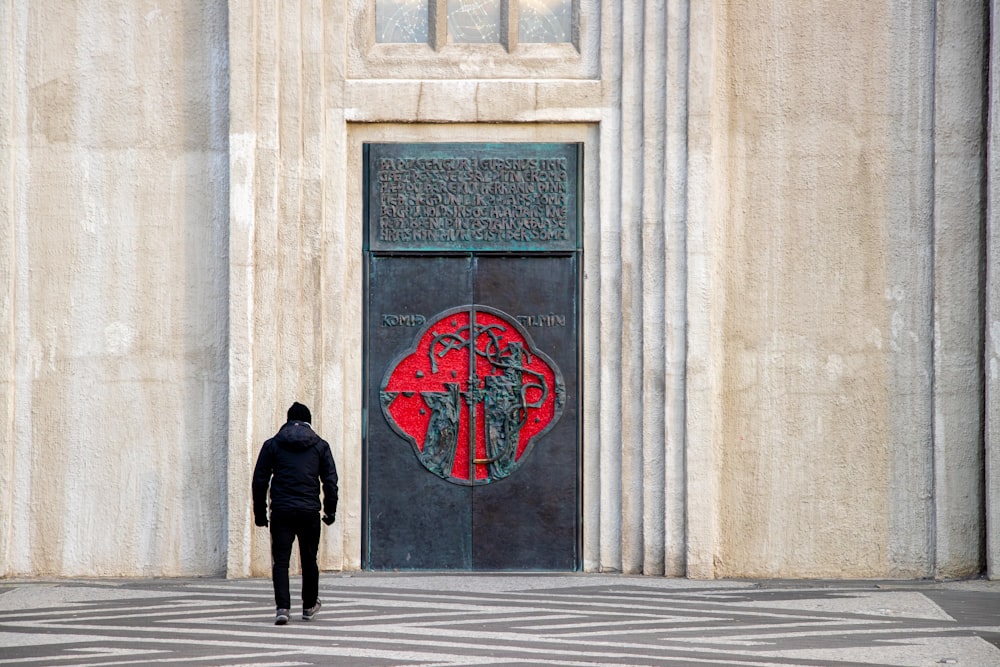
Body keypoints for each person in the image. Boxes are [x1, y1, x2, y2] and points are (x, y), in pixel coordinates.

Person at [252, 401, 338, 625]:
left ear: (288, 420)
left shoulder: (273, 445)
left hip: (281, 510)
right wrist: (330, 511)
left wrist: (260, 514)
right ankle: (309, 606)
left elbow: (259, 480)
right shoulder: (320, 446)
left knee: (280, 561)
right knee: (309, 559)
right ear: (309, 421)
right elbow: (330, 481)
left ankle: (282, 608)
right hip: (309, 511)